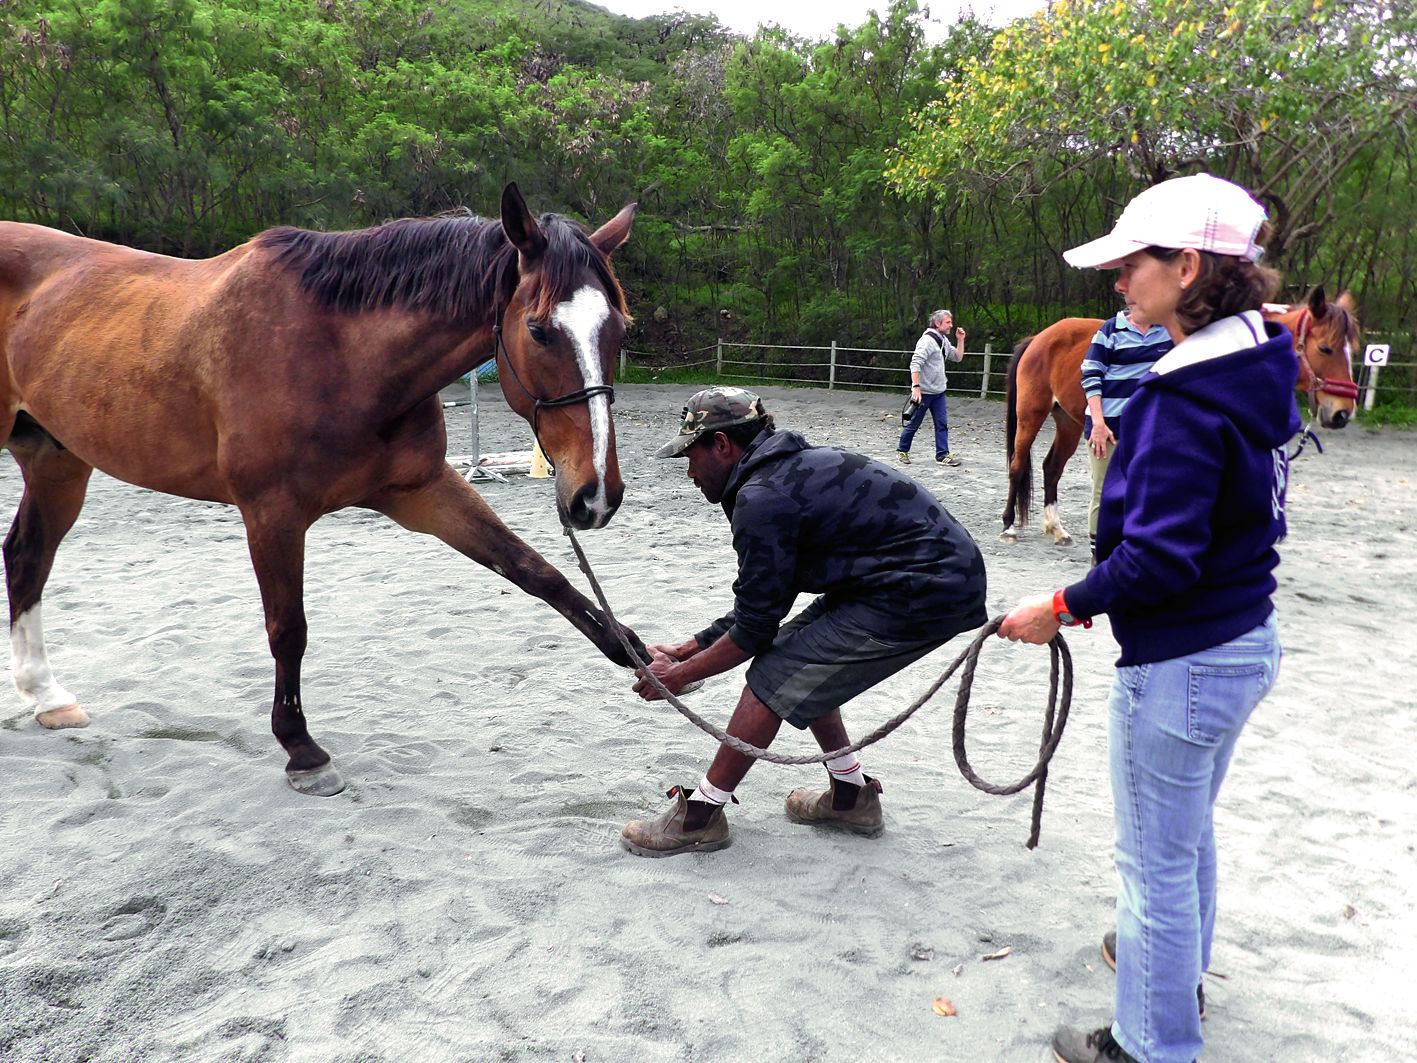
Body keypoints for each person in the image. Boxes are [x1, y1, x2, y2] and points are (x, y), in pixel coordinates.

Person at [998, 173, 1299, 1063]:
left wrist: (1059, 604)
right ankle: (1178, 976)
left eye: (1132, 265)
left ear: (1188, 266)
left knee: (1152, 866)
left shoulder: (1178, 396)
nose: (1119, 283)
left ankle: (1146, 1043)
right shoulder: (1256, 360)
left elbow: (1158, 556)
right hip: (1242, 636)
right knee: (1187, 834)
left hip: (1182, 657)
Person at [622, 386, 987, 858]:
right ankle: (851, 796)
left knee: (774, 676)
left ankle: (700, 817)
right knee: (799, 661)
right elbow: (762, 609)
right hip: (902, 581)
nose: (689, 472)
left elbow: (753, 631)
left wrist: (676, 676)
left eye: (691, 455)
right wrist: (684, 649)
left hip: (924, 588)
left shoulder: (763, 497)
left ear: (721, 445)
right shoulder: (781, 473)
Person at [1081, 310, 1173, 562]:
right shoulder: (1110, 330)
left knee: (1146, 490)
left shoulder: (1167, 330)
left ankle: (1132, 553)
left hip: (1147, 427)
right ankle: (1098, 559)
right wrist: (1098, 423)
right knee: (1104, 491)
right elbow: (1090, 375)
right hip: (1107, 426)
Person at [898, 309, 966, 466]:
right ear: (938, 323)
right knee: (914, 424)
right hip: (924, 393)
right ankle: (902, 451)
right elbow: (915, 364)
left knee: (942, 424)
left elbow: (957, 357)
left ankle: (942, 455)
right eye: (948, 322)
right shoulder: (927, 341)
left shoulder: (943, 340)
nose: (951, 325)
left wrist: (960, 340)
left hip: (939, 392)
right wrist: (916, 388)